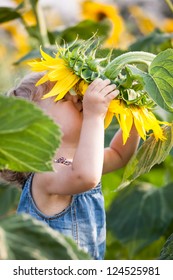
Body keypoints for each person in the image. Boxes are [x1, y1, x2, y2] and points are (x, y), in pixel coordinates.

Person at [2, 72, 140, 259]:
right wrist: (94, 116)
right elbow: (86, 177)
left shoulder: (76, 163)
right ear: (37, 127)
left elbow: (119, 154)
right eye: (63, 97)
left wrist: (133, 120)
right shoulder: (45, 175)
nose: (77, 98)